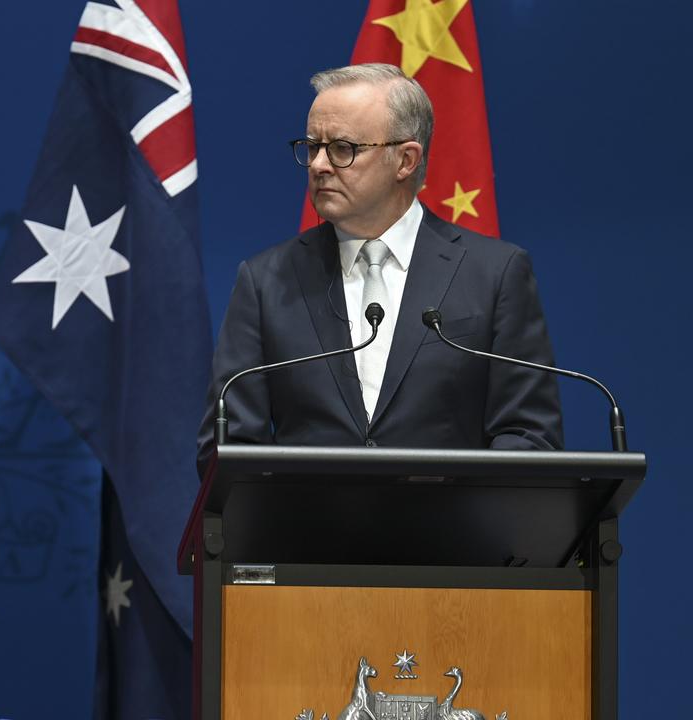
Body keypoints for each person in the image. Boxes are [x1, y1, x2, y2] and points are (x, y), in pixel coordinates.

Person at [198, 63, 561, 470]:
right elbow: (227, 446)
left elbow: (529, 437)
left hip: (451, 530)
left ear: (405, 160)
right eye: (312, 146)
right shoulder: (267, 282)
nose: (318, 165)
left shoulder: (495, 273)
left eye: (342, 148)